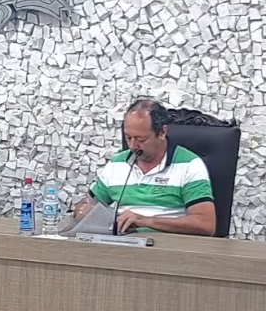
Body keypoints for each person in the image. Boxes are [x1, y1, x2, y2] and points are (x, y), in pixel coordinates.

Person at [73, 99, 216, 236]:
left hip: (168, 245)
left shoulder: (189, 165)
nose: (132, 146)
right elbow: (88, 204)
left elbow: (206, 225)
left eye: (141, 139)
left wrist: (146, 221)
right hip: (122, 243)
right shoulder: (117, 164)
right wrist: (82, 210)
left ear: (162, 132)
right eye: (128, 138)